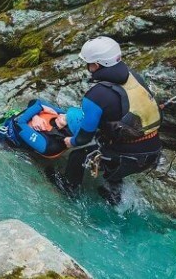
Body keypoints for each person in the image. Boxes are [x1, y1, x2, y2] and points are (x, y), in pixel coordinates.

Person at [55, 36, 162, 205]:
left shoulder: (96, 95)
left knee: (78, 155)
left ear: (96, 65)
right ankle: (113, 195)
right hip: (154, 151)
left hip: (129, 157)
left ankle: (68, 191)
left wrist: (70, 141)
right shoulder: (135, 77)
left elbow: (84, 138)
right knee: (110, 148)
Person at [0, 99, 86, 159]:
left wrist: (40, 108)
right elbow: (34, 101)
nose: (61, 114)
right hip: (8, 118)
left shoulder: (48, 146)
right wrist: (35, 116)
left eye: (65, 118)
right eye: (66, 114)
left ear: (67, 130)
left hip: (4, 137)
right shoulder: (63, 117)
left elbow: (18, 122)